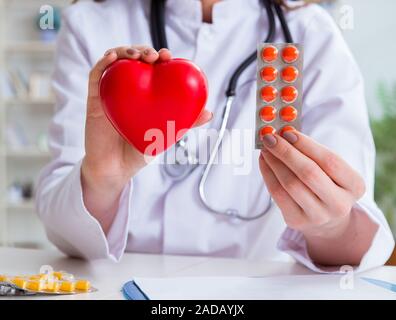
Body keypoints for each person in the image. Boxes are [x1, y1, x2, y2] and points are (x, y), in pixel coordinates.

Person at [36, 0, 394, 273]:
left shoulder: (311, 35)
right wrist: (102, 180)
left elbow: (355, 235)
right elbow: (65, 232)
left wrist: (331, 224)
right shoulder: (92, 22)